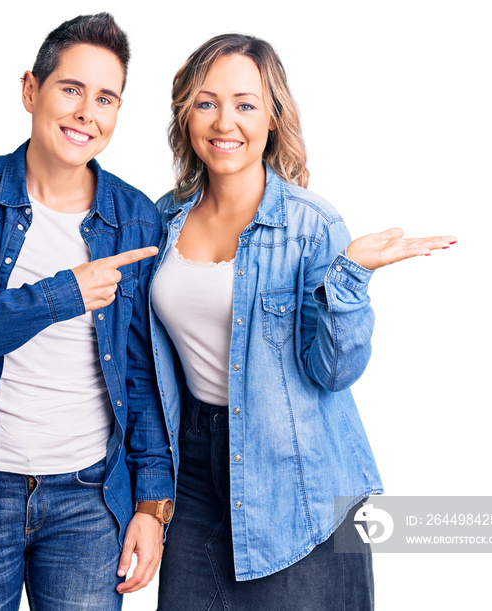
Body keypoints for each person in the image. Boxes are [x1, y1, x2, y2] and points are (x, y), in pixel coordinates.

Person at [149, 34, 456, 610]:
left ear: (273, 116)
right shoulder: (163, 218)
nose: (225, 121)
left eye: (245, 103)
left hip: (300, 484)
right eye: (206, 101)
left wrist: (350, 277)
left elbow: (335, 371)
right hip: (192, 472)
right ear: (185, 113)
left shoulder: (312, 225)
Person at [0, 13, 174, 610]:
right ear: (31, 90)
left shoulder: (133, 219)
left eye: (106, 99)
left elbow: (142, 372)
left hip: (89, 502)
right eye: (71, 89)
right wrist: (56, 296)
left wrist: (152, 504)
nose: (86, 113)